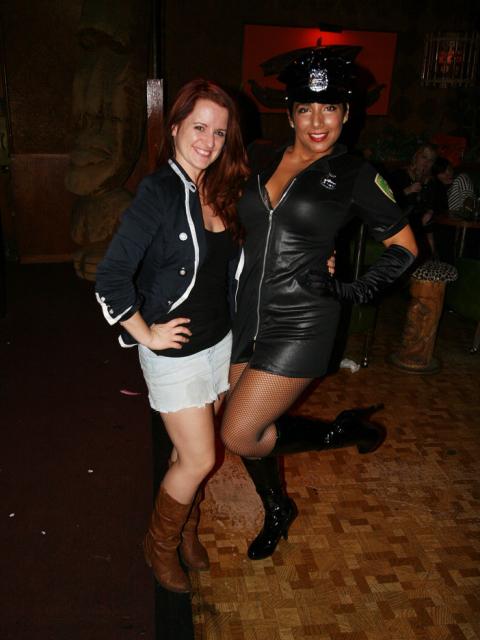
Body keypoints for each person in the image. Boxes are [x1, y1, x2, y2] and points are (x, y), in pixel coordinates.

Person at [220, 47, 418, 556]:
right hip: (248, 313)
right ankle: (278, 508)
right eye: (305, 108)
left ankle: (342, 432)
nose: (317, 121)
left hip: (302, 320)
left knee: (239, 433)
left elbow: (405, 248)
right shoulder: (261, 158)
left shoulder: (355, 173)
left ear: (346, 114)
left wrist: (352, 289)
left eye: (330, 108)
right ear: (289, 115)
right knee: (247, 424)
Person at [95, 79, 249, 593]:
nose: (209, 141)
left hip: (219, 344)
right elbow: (111, 276)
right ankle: (158, 545)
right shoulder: (159, 191)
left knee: (190, 454)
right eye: (199, 127)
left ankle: (185, 530)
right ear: (176, 127)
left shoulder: (219, 190)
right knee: (202, 457)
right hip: (176, 352)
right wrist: (145, 333)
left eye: (219, 133)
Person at [389, 143, 438, 257]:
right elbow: (388, 198)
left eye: (430, 160)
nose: (426, 162)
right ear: (416, 157)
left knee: (430, 227)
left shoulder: (432, 182)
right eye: (424, 157)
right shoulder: (400, 175)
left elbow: (436, 203)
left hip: (421, 226)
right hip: (399, 222)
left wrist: (430, 211)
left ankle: (429, 261)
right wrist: (408, 190)